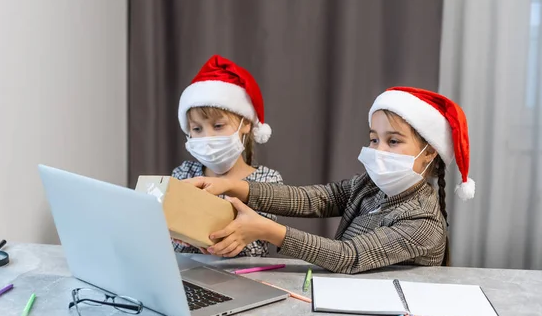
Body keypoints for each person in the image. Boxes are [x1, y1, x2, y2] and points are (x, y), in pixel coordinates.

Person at [187, 87, 475, 273]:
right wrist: (231, 185)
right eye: (374, 139)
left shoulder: (423, 223)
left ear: (429, 153)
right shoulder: (370, 187)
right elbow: (315, 199)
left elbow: (348, 256)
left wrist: (266, 230)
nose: (379, 151)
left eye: (394, 141)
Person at [171, 55, 283, 257]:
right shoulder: (184, 174)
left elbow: (256, 247)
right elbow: (172, 245)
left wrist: (201, 232)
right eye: (197, 129)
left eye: (218, 126)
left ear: (246, 124)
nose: (208, 137)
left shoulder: (268, 181)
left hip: (246, 282)